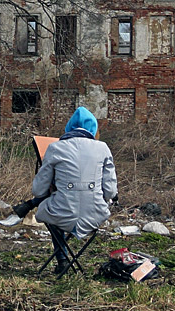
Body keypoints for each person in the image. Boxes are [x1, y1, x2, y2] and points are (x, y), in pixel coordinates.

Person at [21, 106, 118, 275]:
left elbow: (38, 190)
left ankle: (62, 260)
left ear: (69, 127)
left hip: (61, 213)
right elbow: (110, 191)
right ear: (93, 129)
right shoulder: (103, 148)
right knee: (56, 208)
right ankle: (65, 260)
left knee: (49, 210)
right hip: (95, 215)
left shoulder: (55, 148)